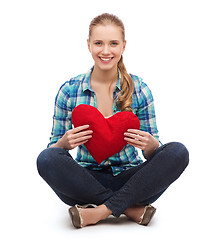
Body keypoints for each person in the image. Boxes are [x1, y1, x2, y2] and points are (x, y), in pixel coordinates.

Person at [37, 13, 189, 228]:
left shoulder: (140, 90)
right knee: (45, 159)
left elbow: (155, 155)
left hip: (132, 179)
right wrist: (63, 144)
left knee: (178, 152)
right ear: (88, 45)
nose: (106, 51)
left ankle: (98, 211)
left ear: (123, 46)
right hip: (85, 181)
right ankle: (127, 207)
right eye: (98, 43)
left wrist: (152, 146)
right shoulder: (69, 91)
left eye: (113, 43)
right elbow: (53, 151)